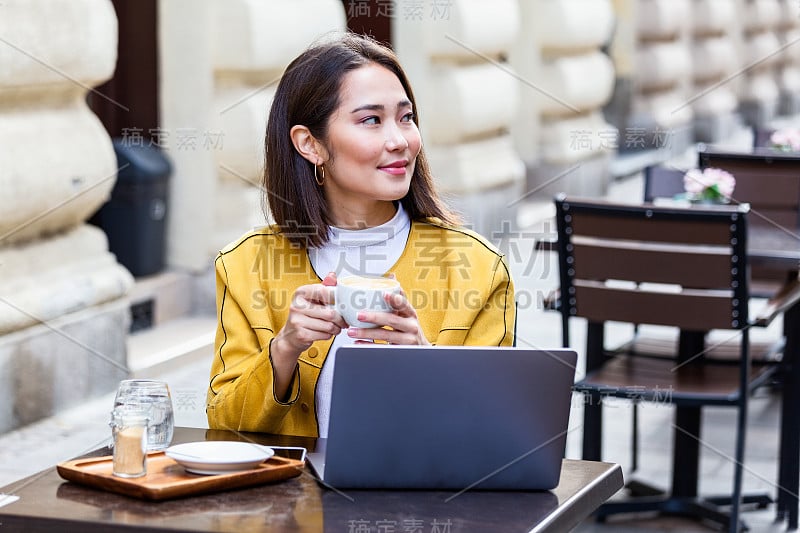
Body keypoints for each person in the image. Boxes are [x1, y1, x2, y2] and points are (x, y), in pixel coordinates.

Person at [207, 33, 516, 437]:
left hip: (428, 497)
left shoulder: (478, 268)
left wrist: (426, 361)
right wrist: (284, 349)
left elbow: (499, 431)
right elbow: (224, 425)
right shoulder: (245, 266)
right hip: (294, 497)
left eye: (406, 118)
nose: (400, 140)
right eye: (371, 120)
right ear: (309, 144)